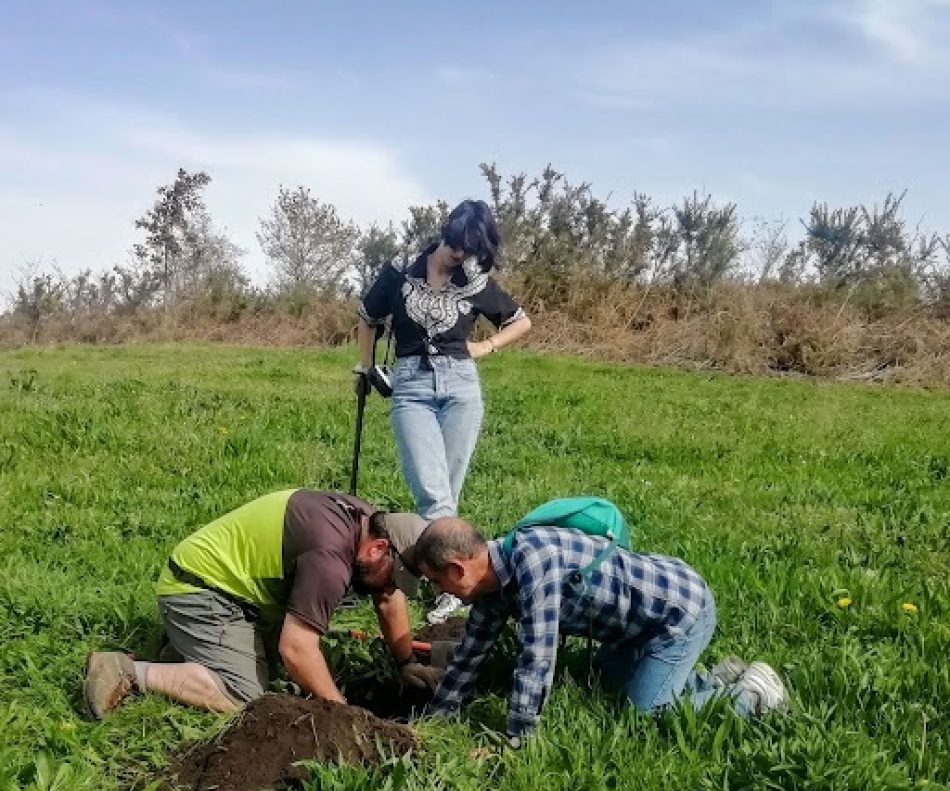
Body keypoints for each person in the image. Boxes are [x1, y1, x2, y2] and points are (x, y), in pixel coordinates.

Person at [411, 517, 788, 748]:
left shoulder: (533, 561)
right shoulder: (492, 585)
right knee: (604, 682)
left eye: (435, 580)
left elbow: (537, 658)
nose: (437, 591)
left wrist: (517, 739)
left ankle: (752, 695)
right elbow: (469, 656)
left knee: (648, 716)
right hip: (631, 629)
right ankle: (709, 681)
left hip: (677, 613)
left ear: (458, 569)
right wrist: (435, 722)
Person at [83, 489, 441, 719]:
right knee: (244, 695)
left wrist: (406, 662)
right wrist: (343, 715)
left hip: (230, 588)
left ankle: (183, 653)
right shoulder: (330, 557)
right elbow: (297, 648)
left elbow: (387, 596)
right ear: (378, 549)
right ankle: (126, 671)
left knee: (288, 677)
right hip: (200, 591)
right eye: (394, 575)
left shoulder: (365, 523)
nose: (393, 587)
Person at [355, 199, 531, 625]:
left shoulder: (473, 279)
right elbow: (367, 317)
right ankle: (456, 586)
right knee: (434, 495)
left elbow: (520, 321)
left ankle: (454, 581)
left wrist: (485, 347)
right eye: (457, 245)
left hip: (462, 387)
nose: (460, 255)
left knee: (448, 493)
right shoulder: (402, 272)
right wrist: (365, 366)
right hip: (411, 387)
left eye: (471, 250)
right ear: (447, 232)